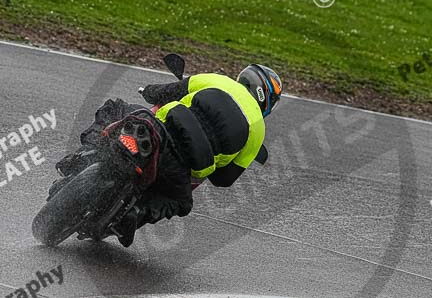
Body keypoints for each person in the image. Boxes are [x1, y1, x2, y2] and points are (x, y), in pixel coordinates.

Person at [69, 64, 282, 246]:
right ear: (268, 103)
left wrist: (148, 91)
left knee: (115, 109)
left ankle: (82, 157)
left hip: (158, 131)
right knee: (180, 203)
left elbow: (164, 92)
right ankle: (134, 214)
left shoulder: (218, 81)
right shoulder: (258, 131)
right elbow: (224, 180)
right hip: (180, 168)